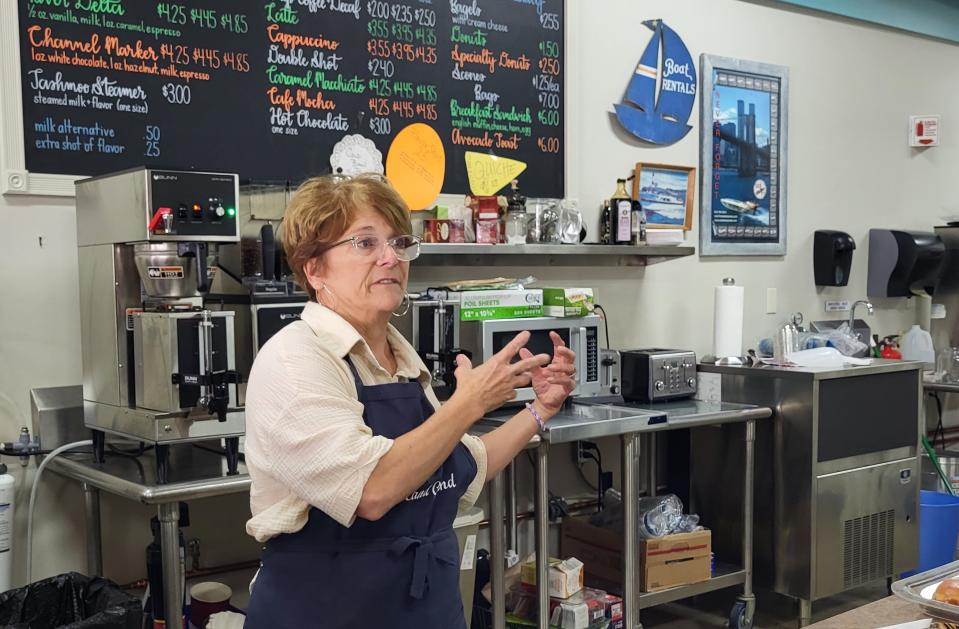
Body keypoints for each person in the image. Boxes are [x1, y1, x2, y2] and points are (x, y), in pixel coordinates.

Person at [243, 174, 577, 629]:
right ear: (314, 269)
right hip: (329, 611)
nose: (390, 258)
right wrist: (469, 403)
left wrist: (540, 410)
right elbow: (372, 490)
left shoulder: (401, 359)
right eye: (364, 243)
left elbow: (459, 465)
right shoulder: (295, 358)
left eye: (398, 243)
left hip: (421, 606)